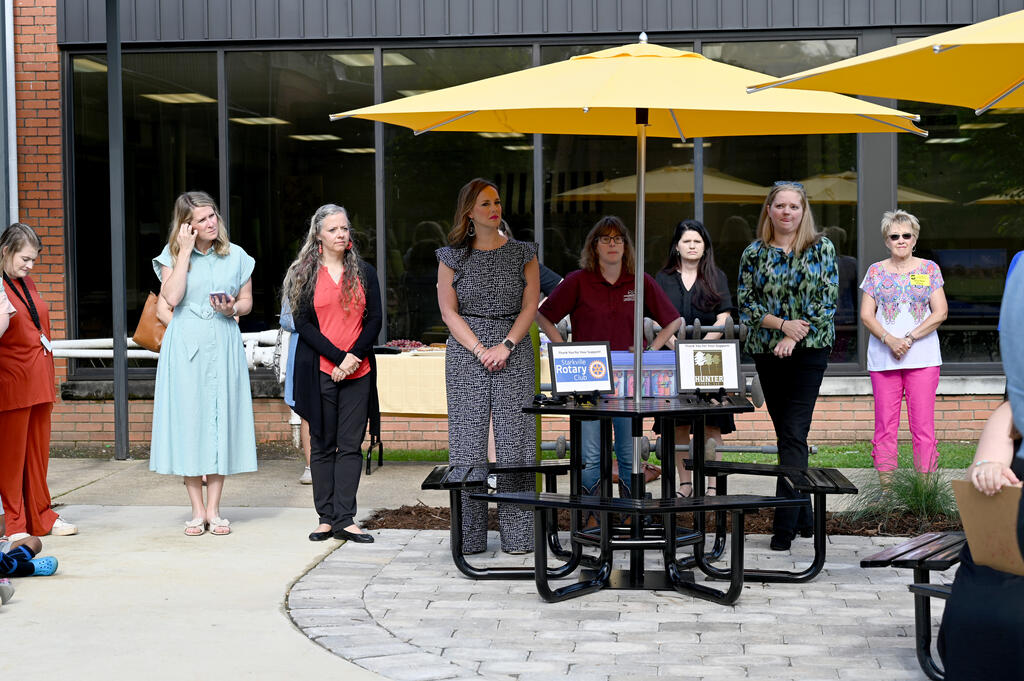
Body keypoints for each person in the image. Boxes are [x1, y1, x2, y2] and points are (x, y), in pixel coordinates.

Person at [537, 216, 681, 500]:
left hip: (629, 381)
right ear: (594, 245)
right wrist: (564, 349)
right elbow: (543, 316)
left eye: (618, 239)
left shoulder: (639, 281)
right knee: (590, 455)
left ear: (626, 245)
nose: (612, 244)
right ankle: (592, 514)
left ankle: (627, 514)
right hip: (586, 380)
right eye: (605, 238)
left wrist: (651, 352)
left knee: (628, 453)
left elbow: (673, 320)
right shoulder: (578, 281)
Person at [436, 178, 539, 554]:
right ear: (469, 212)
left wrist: (506, 345)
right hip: (467, 353)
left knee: (517, 443)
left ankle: (519, 536)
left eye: (497, 202)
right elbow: (448, 312)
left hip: (514, 349)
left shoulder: (524, 253)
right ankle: (469, 538)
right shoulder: (451, 257)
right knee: (467, 445)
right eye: (485, 203)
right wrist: (481, 350)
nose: (494, 209)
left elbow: (530, 305)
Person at [150, 191, 258, 536]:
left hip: (223, 342)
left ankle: (214, 509)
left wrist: (232, 308)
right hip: (185, 348)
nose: (211, 223)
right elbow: (171, 298)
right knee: (191, 423)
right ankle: (197, 510)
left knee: (220, 421)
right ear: (187, 226)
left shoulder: (237, 255)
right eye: (202, 219)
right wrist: (183, 253)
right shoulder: (172, 256)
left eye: (213, 216)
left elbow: (247, 302)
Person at [738, 182, 838, 552]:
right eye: (780, 205)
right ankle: (805, 517)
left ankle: (783, 527)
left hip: (810, 352)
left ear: (803, 210)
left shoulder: (822, 248)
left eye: (794, 206)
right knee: (789, 436)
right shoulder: (754, 252)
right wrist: (781, 326)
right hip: (767, 352)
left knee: (793, 433)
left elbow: (827, 301)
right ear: (769, 210)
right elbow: (746, 303)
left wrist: (794, 336)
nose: (787, 212)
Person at [284, 204, 382, 544]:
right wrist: (339, 358)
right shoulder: (304, 274)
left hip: (358, 371)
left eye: (344, 228)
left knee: (351, 445)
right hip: (320, 371)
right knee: (323, 444)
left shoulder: (365, 272)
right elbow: (302, 324)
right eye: (333, 229)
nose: (341, 234)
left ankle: (345, 519)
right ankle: (325, 518)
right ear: (319, 236)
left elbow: (375, 320)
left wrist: (353, 359)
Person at [859, 210, 947, 486]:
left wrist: (908, 339)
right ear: (886, 240)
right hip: (884, 360)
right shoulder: (875, 271)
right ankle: (887, 492)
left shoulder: (929, 269)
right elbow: (866, 315)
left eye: (906, 235)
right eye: (894, 236)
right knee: (885, 427)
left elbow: (941, 312)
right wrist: (890, 340)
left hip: (923, 359)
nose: (901, 240)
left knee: (923, 427)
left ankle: (925, 491)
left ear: (915, 239)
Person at [937, 400, 1024, 680]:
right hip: (1003, 555)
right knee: (980, 611)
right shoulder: (1012, 411)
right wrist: (988, 470)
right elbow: (983, 463)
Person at [0, 223, 77, 539]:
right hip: (12, 383)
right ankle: (15, 524)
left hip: (39, 379)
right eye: (25, 259)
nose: (30, 266)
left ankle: (42, 516)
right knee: (12, 459)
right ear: (6, 251)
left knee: (36, 457)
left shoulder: (26, 283)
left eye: (33, 259)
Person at [654, 219, 735, 497]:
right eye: (686, 241)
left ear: (705, 246)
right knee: (679, 424)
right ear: (676, 246)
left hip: (709, 360)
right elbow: (655, 319)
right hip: (672, 360)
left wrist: (700, 348)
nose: (692, 246)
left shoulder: (716, 276)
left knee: (712, 424)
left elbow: (724, 318)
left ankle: (712, 486)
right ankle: (685, 485)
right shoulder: (662, 278)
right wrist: (678, 348)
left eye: (697, 241)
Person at [279, 296, 313, 485]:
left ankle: (332, 464)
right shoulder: (295, 283)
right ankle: (310, 466)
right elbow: (285, 319)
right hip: (302, 352)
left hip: (329, 353)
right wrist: (308, 323)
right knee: (306, 411)